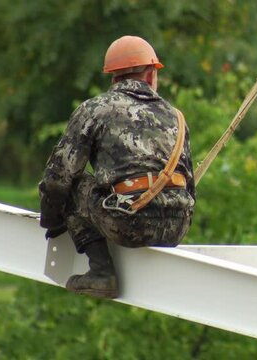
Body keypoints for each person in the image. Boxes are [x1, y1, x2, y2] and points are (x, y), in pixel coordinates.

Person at [38, 35, 195, 299]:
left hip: (129, 224)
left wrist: (53, 221)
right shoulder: (176, 116)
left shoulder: (95, 109)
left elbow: (58, 178)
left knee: (74, 183)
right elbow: (190, 186)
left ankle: (101, 271)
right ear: (150, 75)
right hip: (178, 226)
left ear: (113, 78)